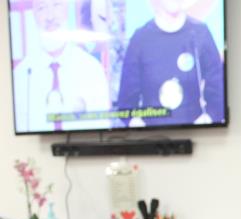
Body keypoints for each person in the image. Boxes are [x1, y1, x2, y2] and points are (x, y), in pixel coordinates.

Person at [116, 0, 225, 127]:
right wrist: (137, 124)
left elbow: (218, 93)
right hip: (152, 133)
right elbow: (126, 104)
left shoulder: (200, 33)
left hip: (195, 130)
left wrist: (208, 119)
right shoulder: (140, 39)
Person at [12, 0, 111, 133]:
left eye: (56, 5)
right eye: (42, 8)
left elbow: (102, 125)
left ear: (66, 10)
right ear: (34, 16)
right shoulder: (21, 75)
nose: (50, 16)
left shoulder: (92, 68)